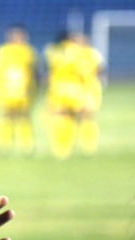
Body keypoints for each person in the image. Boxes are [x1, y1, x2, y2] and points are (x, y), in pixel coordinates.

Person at [43, 31, 105, 159]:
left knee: (63, 116)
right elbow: (87, 71)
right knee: (85, 116)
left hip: (58, 89)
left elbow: (49, 70)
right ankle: (89, 146)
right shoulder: (80, 53)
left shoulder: (53, 51)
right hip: (76, 89)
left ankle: (62, 148)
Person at [0, 24, 38, 155]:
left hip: (23, 88)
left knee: (23, 116)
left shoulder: (28, 52)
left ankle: (26, 145)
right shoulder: (2, 51)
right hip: (6, 88)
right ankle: (4, 145)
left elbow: (33, 71)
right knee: (7, 115)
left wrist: (34, 88)